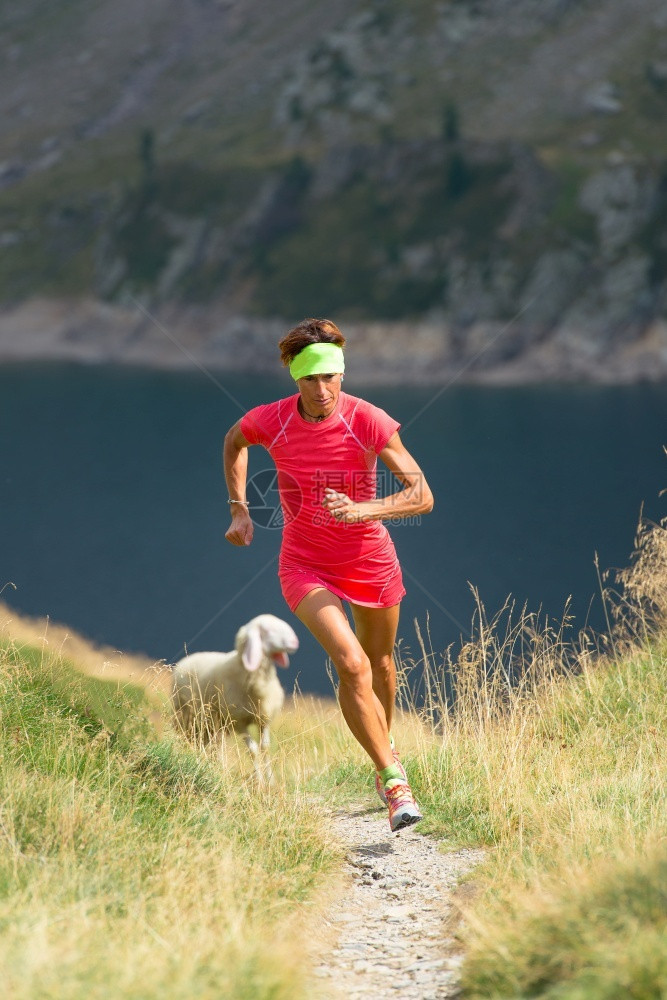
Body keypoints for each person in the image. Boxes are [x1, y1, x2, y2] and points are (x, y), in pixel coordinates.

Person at [223, 318, 434, 831]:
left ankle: (385, 748)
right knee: (353, 665)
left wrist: (365, 510)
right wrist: (239, 509)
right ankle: (393, 782)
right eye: (310, 380)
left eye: (331, 378)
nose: (322, 391)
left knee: (380, 664)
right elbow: (234, 442)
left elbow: (422, 495)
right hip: (304, 563)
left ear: (342, 374)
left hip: (369, 560)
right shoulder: (269, 421)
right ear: (295, 380)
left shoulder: (367, 419)